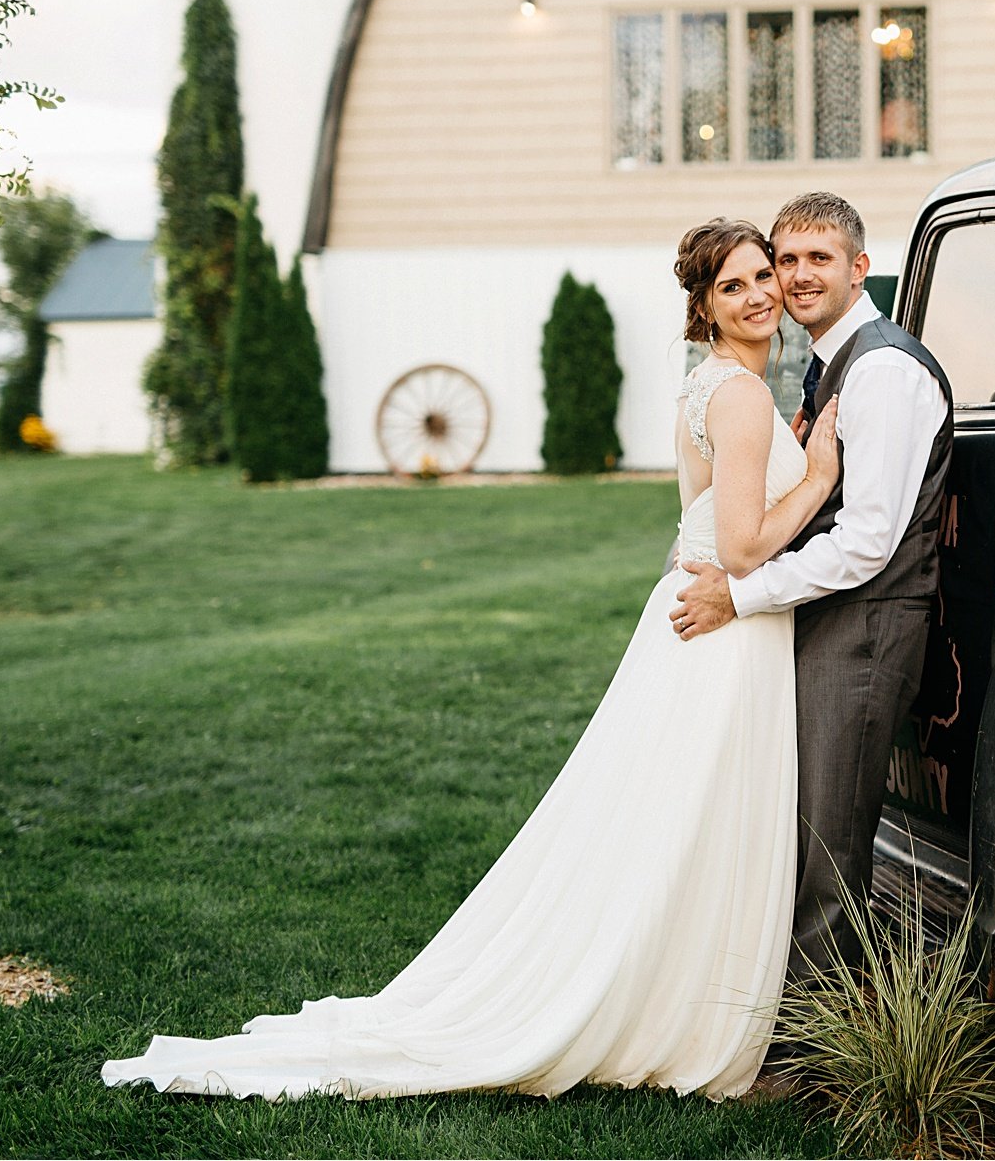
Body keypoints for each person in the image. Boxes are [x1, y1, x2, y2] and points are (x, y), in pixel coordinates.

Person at [102, 219, 839, 1102]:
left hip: (685, 613)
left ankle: (659, 993)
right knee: (697, 821)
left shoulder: (709, 384)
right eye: (734, 286)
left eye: (764, 275)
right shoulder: (744, 396)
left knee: (663, 822)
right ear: (704, 306)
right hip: (722, 626)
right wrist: (820, 478)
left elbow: (697, 516)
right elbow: (747, 547)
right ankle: (680, 1015)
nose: (760, 294)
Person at [672, 192, 952, 979]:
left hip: (865, 632)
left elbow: (867, 543)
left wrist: (740, 593)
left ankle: (809, 1051)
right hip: (818, 623)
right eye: (783, 259)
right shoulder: (824, 367)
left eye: (815, 259)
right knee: (795, 832)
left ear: (860, 268)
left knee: (826, 848)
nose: (793, 278)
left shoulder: (886, 371)